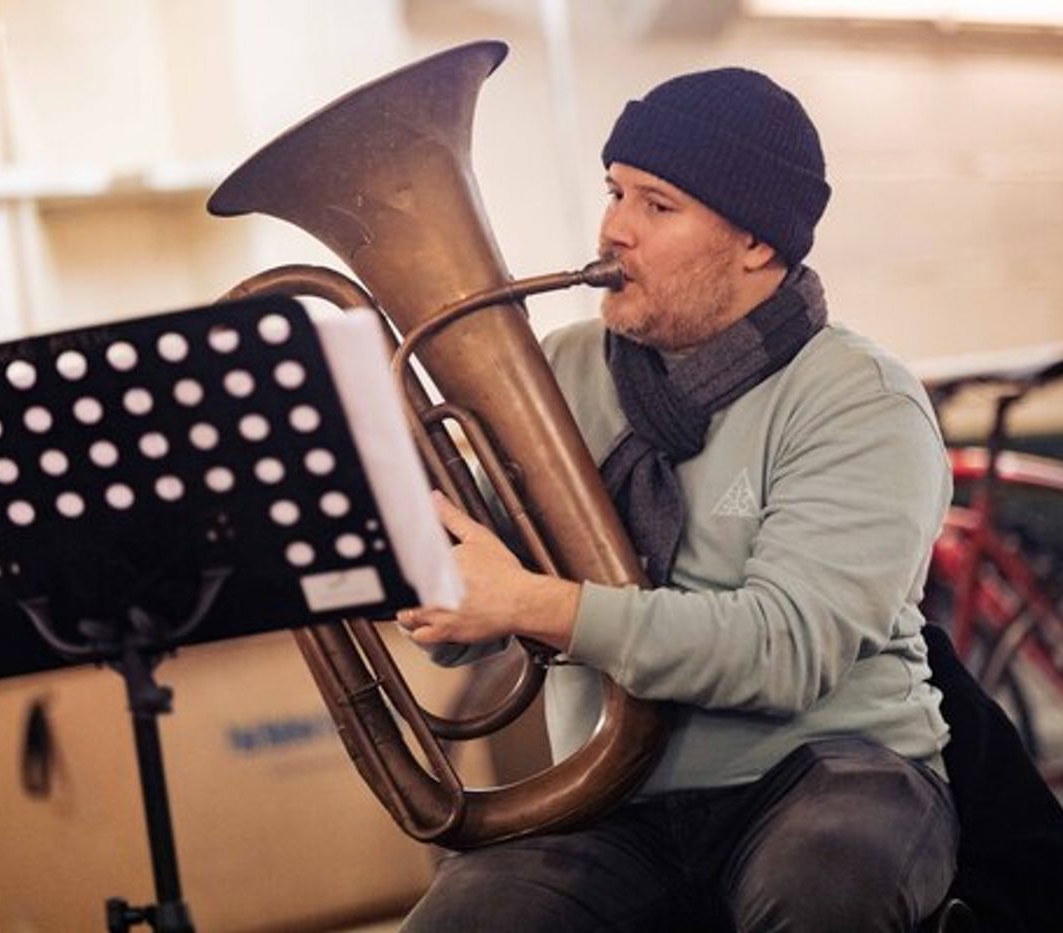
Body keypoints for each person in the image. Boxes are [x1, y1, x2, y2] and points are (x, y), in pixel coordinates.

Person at [396, 65, 959, 933]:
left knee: (822, 886)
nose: (614, 228)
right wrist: (416, 540)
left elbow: (784, 649)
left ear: (756, 244)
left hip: (829, 769)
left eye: (658, 206)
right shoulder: (565, 370)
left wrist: (545, 605)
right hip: (614, 796)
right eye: (614, 191)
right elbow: (474, 625)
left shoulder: (859, 398)